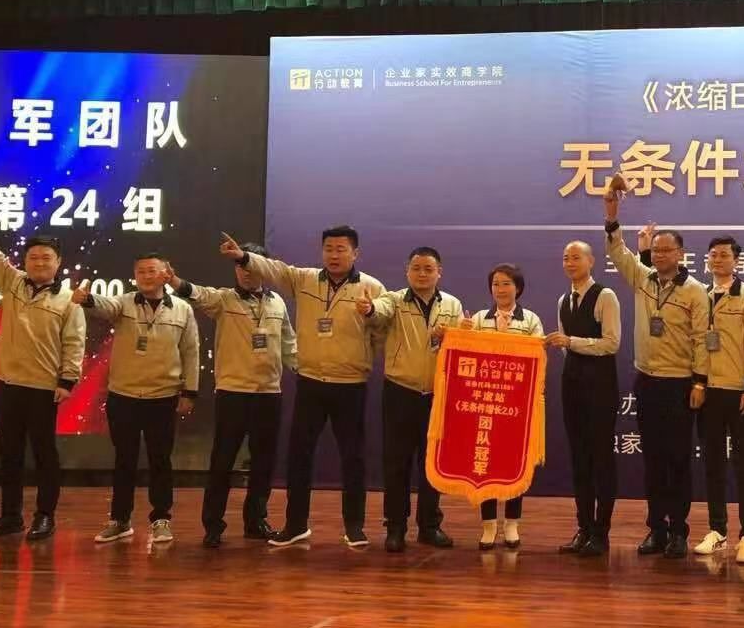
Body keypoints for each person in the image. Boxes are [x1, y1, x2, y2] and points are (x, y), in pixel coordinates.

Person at [223, 227, 382, 549]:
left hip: (350, 385)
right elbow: (275, 270)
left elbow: (382, 326)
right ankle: (296, 525)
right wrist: (243, 256)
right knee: (299, 455)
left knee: (353, 458)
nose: (334, 255)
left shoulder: (371, 287)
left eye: (341, 249)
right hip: (310, 383)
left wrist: (362, 354)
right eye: (328, 248)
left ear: (355, 253)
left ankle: (355, 527)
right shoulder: (306, 279)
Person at [0, 194, 85, 544]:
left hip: (43, 388)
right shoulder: (12, 281)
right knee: (9, 454)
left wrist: (67, 381)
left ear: (58, 262)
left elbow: (74, 344)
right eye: (33, 257)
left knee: (44, 455)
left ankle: (45, 516)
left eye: (46, 257)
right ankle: (10, 517)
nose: (39, 262)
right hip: (7, 383)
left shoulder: (69, 301)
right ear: (25, 261)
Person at [603, 178, 709, 560]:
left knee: (678, 460)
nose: (661, 255)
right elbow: (617, 252)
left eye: (668, 250)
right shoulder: (643, 279)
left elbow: (703, 339)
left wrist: (700, 382)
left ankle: (679, 531)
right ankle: (657, 530)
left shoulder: (695, 291)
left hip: (680, 384)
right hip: (647, 381)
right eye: (657, 249)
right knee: (652, 459)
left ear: (681, 253)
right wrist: (612, 214)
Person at [169, 246, 297, 548]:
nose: (246, 272)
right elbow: (197, 294)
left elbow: (289, 344)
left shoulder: (277, 302)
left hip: (268, 393)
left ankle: (256, 521)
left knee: (263, 463)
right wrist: (174, 281)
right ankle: (213, 525)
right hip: (233, 394)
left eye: (251, 267)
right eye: (240, 267)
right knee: (222, 461)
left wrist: (309, 369)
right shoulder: (224, 300)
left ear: (263, 268)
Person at [74, 254, 198, 544]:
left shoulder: (182, 309)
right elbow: (105, 305)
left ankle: (161, 519)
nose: (145, 276)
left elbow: (191, 352)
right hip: (124, 396)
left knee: (160, 461)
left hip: (163, 397)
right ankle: (120, 520)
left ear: (165, 274)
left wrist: (189, 391)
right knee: (124, 460)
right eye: (140, 271)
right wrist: (87, 299)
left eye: (152, 271)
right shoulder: (124, 303)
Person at [362, 246, 463, 553]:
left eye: (428, 269)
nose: (422, 274)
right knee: (397, 463)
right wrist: (369, 309)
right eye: (416, 268)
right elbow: (378, 312)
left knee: (432, 464)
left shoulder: (452, 304)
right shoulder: (394, 300)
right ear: (407, 271)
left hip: (437, 394)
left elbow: (461, 345)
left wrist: (456, 334)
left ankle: (429, 526)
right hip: (400, 391)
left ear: (439, 273)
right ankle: (395, 527)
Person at [691, 236, 744, 564]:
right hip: (708, 390)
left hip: (738, 391)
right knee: (712, 463)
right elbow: (697, 343)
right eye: (713, 255)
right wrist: (698, 382)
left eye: (724, 255)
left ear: (737, 260)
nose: (718, 260)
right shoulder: (700, 295)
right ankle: (717, 529)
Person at [461, 263, 544, 550]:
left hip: (517, 406)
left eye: (506, 283)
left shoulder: (530, 319)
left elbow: (538, 357)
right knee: (484, 463)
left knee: (513, 463)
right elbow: (466, 357)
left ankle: (511, 523)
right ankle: (488, 525)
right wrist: (464, 334)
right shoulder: (478, 319)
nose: (500, 289)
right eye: (495, 284)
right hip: (485, 405)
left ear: (517, 288)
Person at [546, 241, 621, 558]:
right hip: (572, 385)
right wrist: (569, 345)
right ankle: (584, 528)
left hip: (600, 386)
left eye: (576, 257)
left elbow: (611, 343)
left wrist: (572, 342)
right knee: (579, 459)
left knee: (601, 459)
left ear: (591, 261)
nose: (570, 262)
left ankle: (601, 533)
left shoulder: (605, 295)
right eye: (566, 258)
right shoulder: (563, 300)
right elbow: (566, 348)